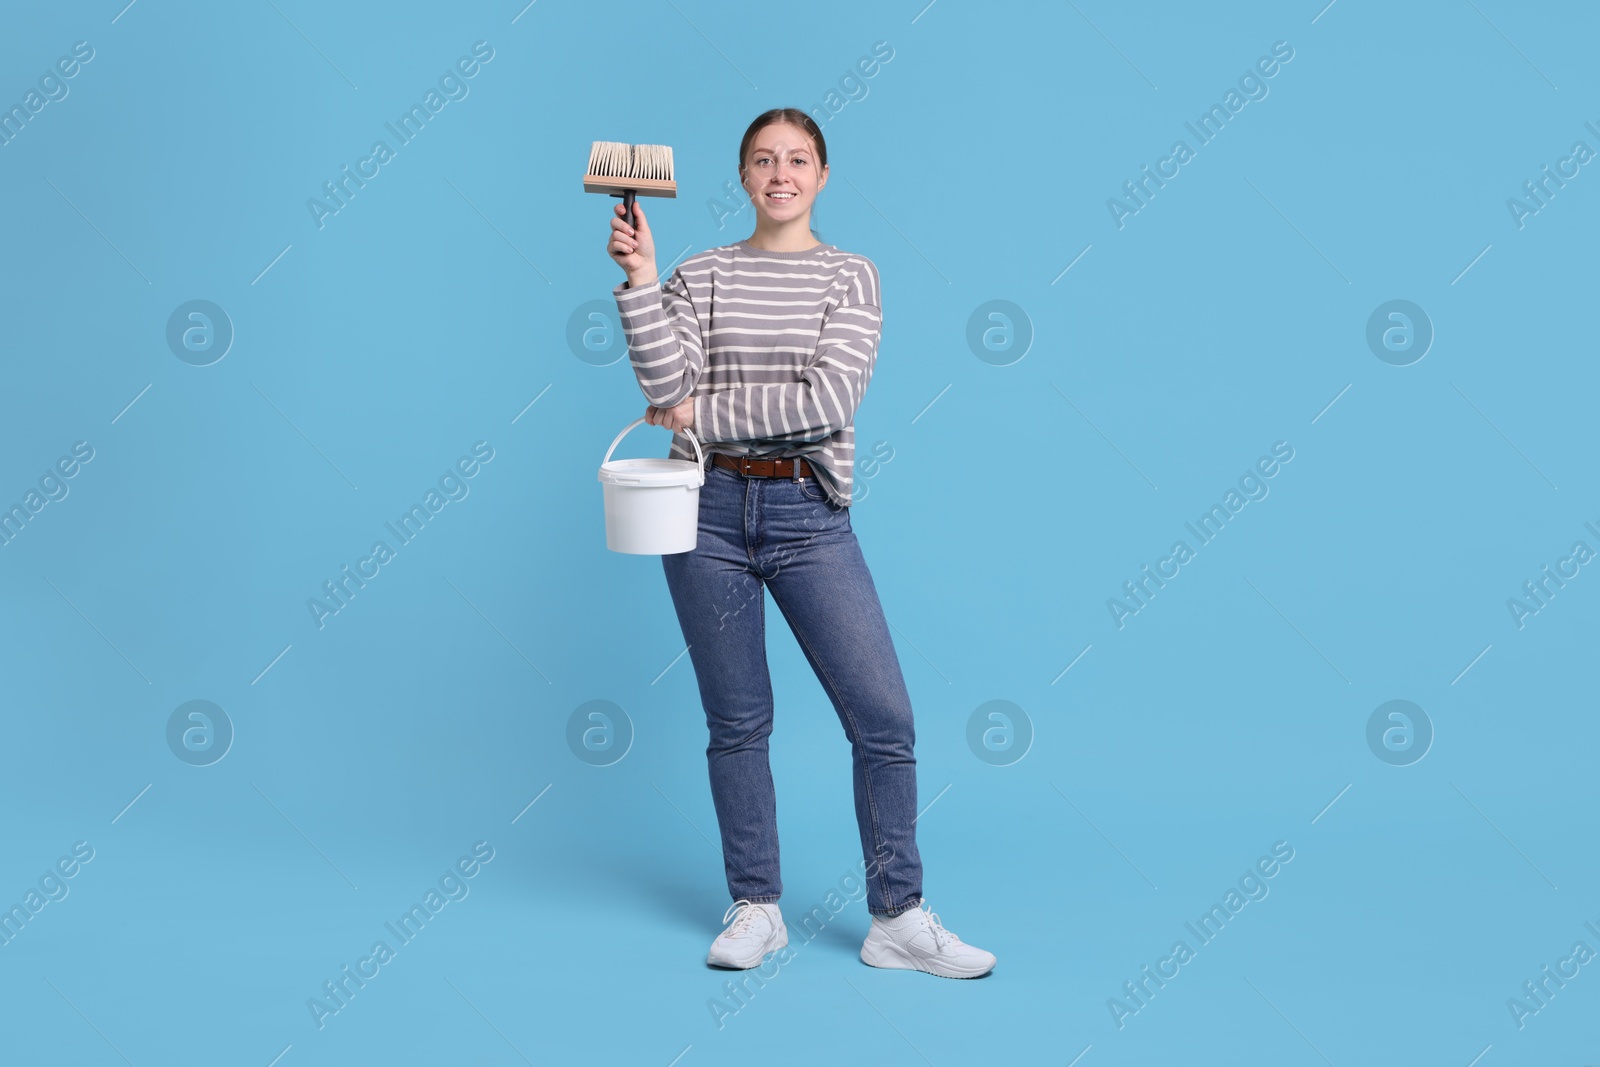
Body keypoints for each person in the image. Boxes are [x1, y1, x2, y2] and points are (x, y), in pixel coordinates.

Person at [605, 108, 995, 979]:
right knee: (737, 722)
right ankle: (757, 906)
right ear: (742, 176)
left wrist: (699, 413)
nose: (780, 173)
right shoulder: (699, 274)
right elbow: (662, 384)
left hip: (808, 512)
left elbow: (826, 404)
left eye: (797, 159)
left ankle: (897, 916)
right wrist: (639, 278)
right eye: (762, 159)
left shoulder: (851, 277)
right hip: (701, 514)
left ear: (821, 176)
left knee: (884, 718)